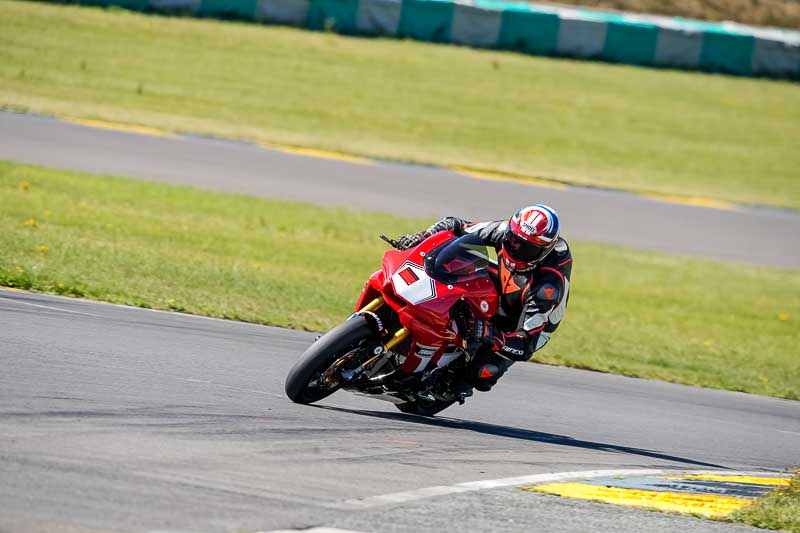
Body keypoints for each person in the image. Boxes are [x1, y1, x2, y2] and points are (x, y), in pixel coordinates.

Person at [394, 205, 572, 393]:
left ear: (544, 251)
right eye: (512, 240)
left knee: (482, 373)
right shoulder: (505, 231)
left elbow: (526, 344)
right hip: (506, 282)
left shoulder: (547, 287)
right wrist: (421, 237)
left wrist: (492, 333)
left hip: (525, 323)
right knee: (460, 264)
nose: (514, 249)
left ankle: (446, 386)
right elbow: (456, 225)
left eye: (526, 249)